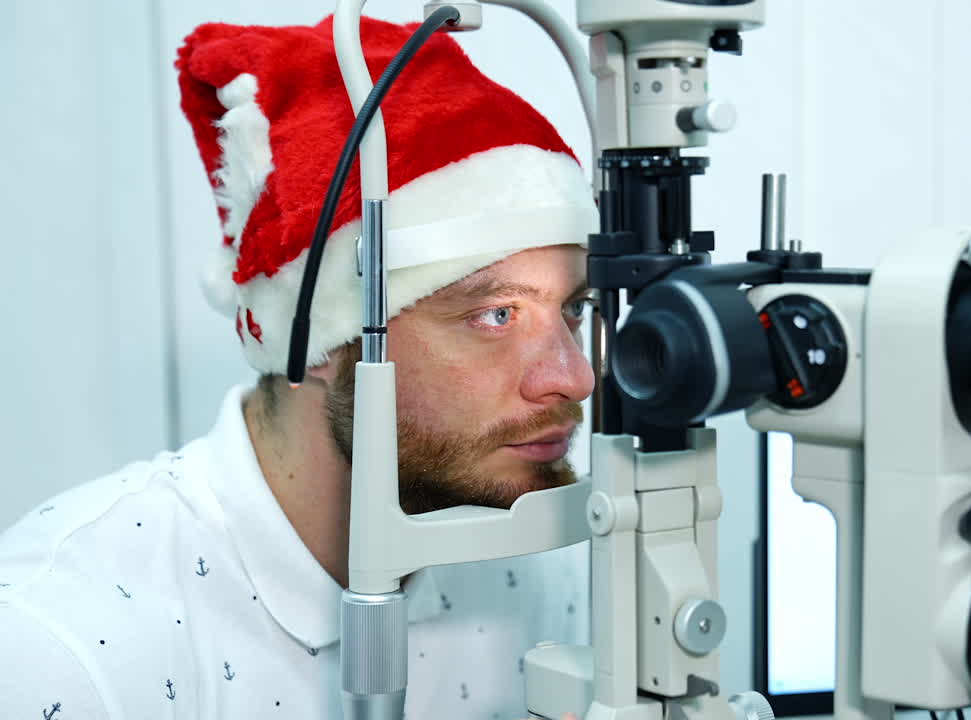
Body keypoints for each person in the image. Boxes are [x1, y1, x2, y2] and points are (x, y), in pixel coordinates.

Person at [0, 15, 596, 719]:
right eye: (495, 315)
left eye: (573, 309)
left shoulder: (534, 556)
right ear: (316, 338)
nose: (573, 378)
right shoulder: (66, 647)